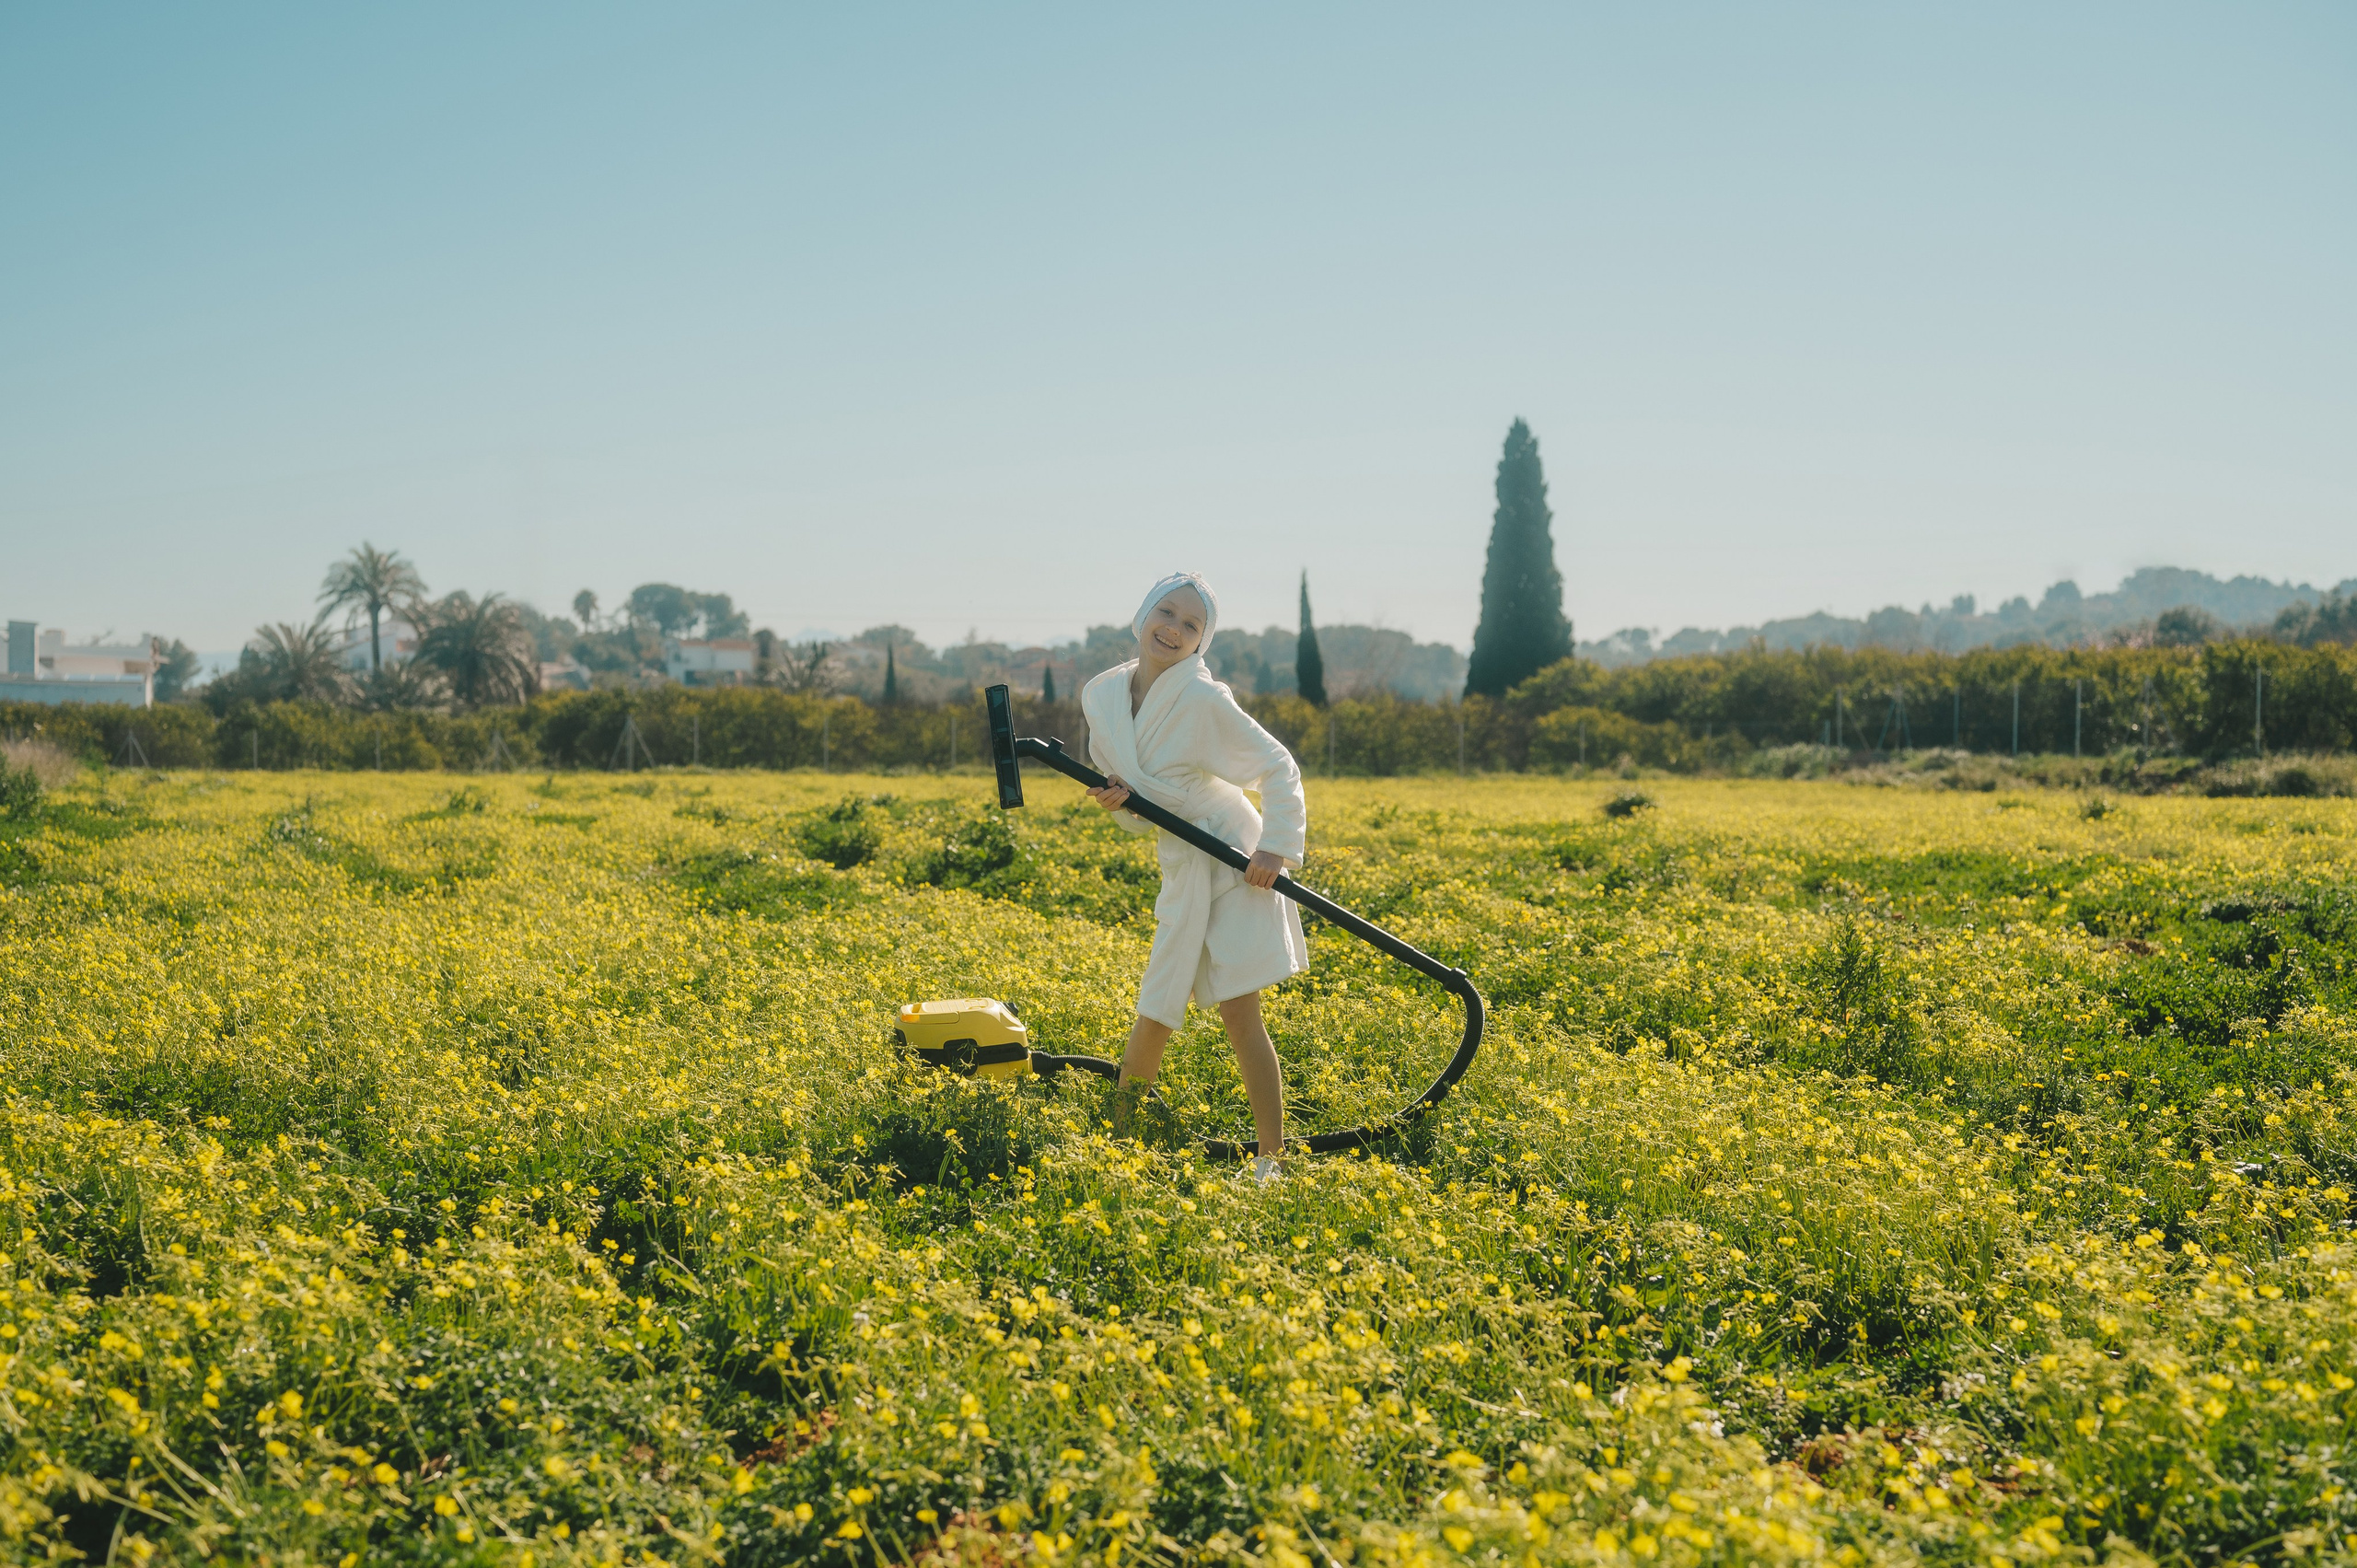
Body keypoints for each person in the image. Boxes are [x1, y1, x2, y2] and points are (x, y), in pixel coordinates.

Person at [1080, 572, 1308, 1183]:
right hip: (1185, 859)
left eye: (1191, 624)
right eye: (1167, 612)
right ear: (1143, 615)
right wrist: (1123, 803)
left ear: (1201, 641)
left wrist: (1275, 849)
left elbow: (1278, 765)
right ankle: (1119, 1152)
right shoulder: (1103, 697)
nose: (1173, 629)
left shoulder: (1203, 699)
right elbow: (1142, 807)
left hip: (1233, 854)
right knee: (1158, 1002)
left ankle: (1271, 1161)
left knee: (1239, 1012)